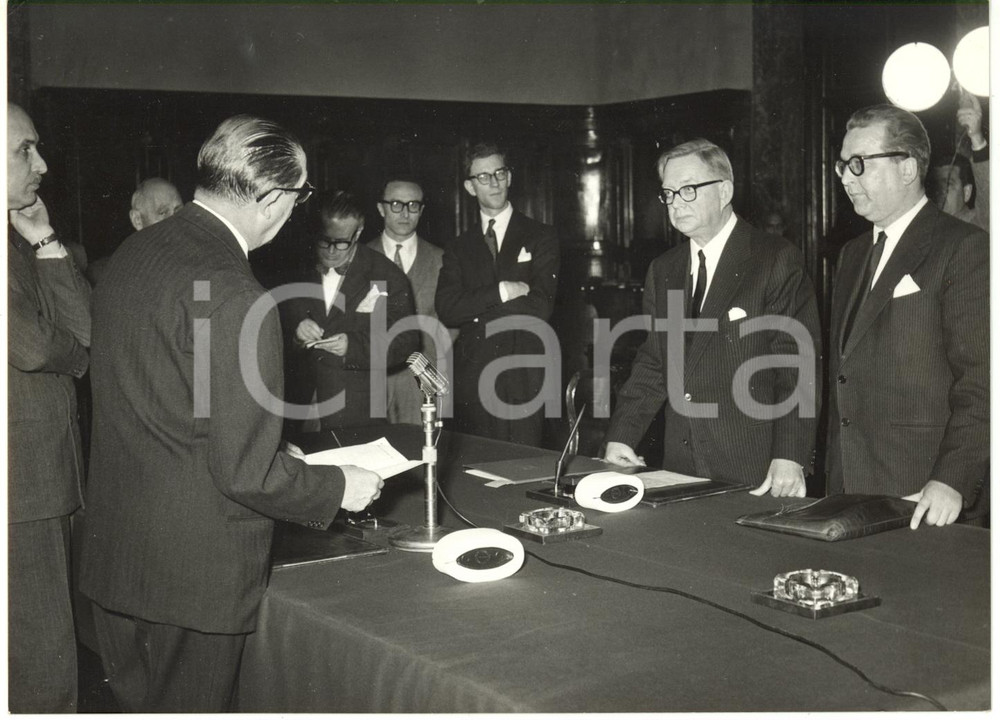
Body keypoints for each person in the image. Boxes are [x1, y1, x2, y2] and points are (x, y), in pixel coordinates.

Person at [79, 115, 384, 712]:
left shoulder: (135, 253)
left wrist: (265, 445)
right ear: (271, 198)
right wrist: (337, 485)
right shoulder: (237, 294)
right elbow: (245, 473)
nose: (299, 211)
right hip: (192, 580)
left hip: (118, 561)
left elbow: (166, 397)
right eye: (299, 197)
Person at [603, 138, 821, 497]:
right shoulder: (664, 269)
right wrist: (622, 436)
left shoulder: (773, 259)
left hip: (753, 465)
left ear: (724, 191)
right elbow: (655, 360)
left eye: (688, 190)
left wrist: (790, 456)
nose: (675, 204)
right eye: (669, 193)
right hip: (681, 463)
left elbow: (797, 367)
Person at [827, 104, 989, 529]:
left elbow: (983, 379)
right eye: (843, 164)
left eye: (859, 164)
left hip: (924, 494)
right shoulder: (852, 254)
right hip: (848, 487)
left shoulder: (963, 248)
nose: (845, 177)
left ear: (907, 169)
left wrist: (951, 479)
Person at [7, 102, 92, 713]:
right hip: (21, 482)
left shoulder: (19, 237)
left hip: (46, 475)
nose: (42, 163)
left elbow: (87, 325)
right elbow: (34, 345)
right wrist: (80, 356)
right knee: (41, 659)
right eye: (24, 150)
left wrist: (45, 239)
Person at [435, 143, 559, 446]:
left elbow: (541, 306)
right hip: (473, 376)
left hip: (525, 374)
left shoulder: (541, 236)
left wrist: (476, 310)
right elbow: (448, 309)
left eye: (499, 173)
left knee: (523, 467)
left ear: (510, 177)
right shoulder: (458, 247)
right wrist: (504, 290)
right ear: (469, 186)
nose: (494, 182)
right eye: (483, 176)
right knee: (478, 469)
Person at [281, 190, 418, 431]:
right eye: (325, 241)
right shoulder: (295, 266)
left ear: (358, 232)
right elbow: (270, 324)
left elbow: (405, 341)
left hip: (353, 412)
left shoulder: (386, 275)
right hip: (294, 409)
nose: (331, 251)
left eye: (341, 243)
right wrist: (295, 333)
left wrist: (352, 347)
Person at [367, 176, 451, 424]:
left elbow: (452, 323)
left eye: (413, 205)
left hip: (421, 382)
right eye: (396, 204)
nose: (405, 213)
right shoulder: (360, 258)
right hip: (372, 380)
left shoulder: (442, 260)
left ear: (421, 210)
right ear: (381, 208)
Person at [89, 177, 183, 285]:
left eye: (179, 211)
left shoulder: (199, 261)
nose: (175, 220)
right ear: (137, 220)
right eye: (162, 212)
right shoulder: (115, 274)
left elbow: (203, 299)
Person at [929, 91, 989, 233]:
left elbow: (989, 194)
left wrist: (976, 137)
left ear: (967, 192)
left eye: (948, 184)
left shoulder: (978, 223)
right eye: (937, 184)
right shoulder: (928, 229)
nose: (940, 191)